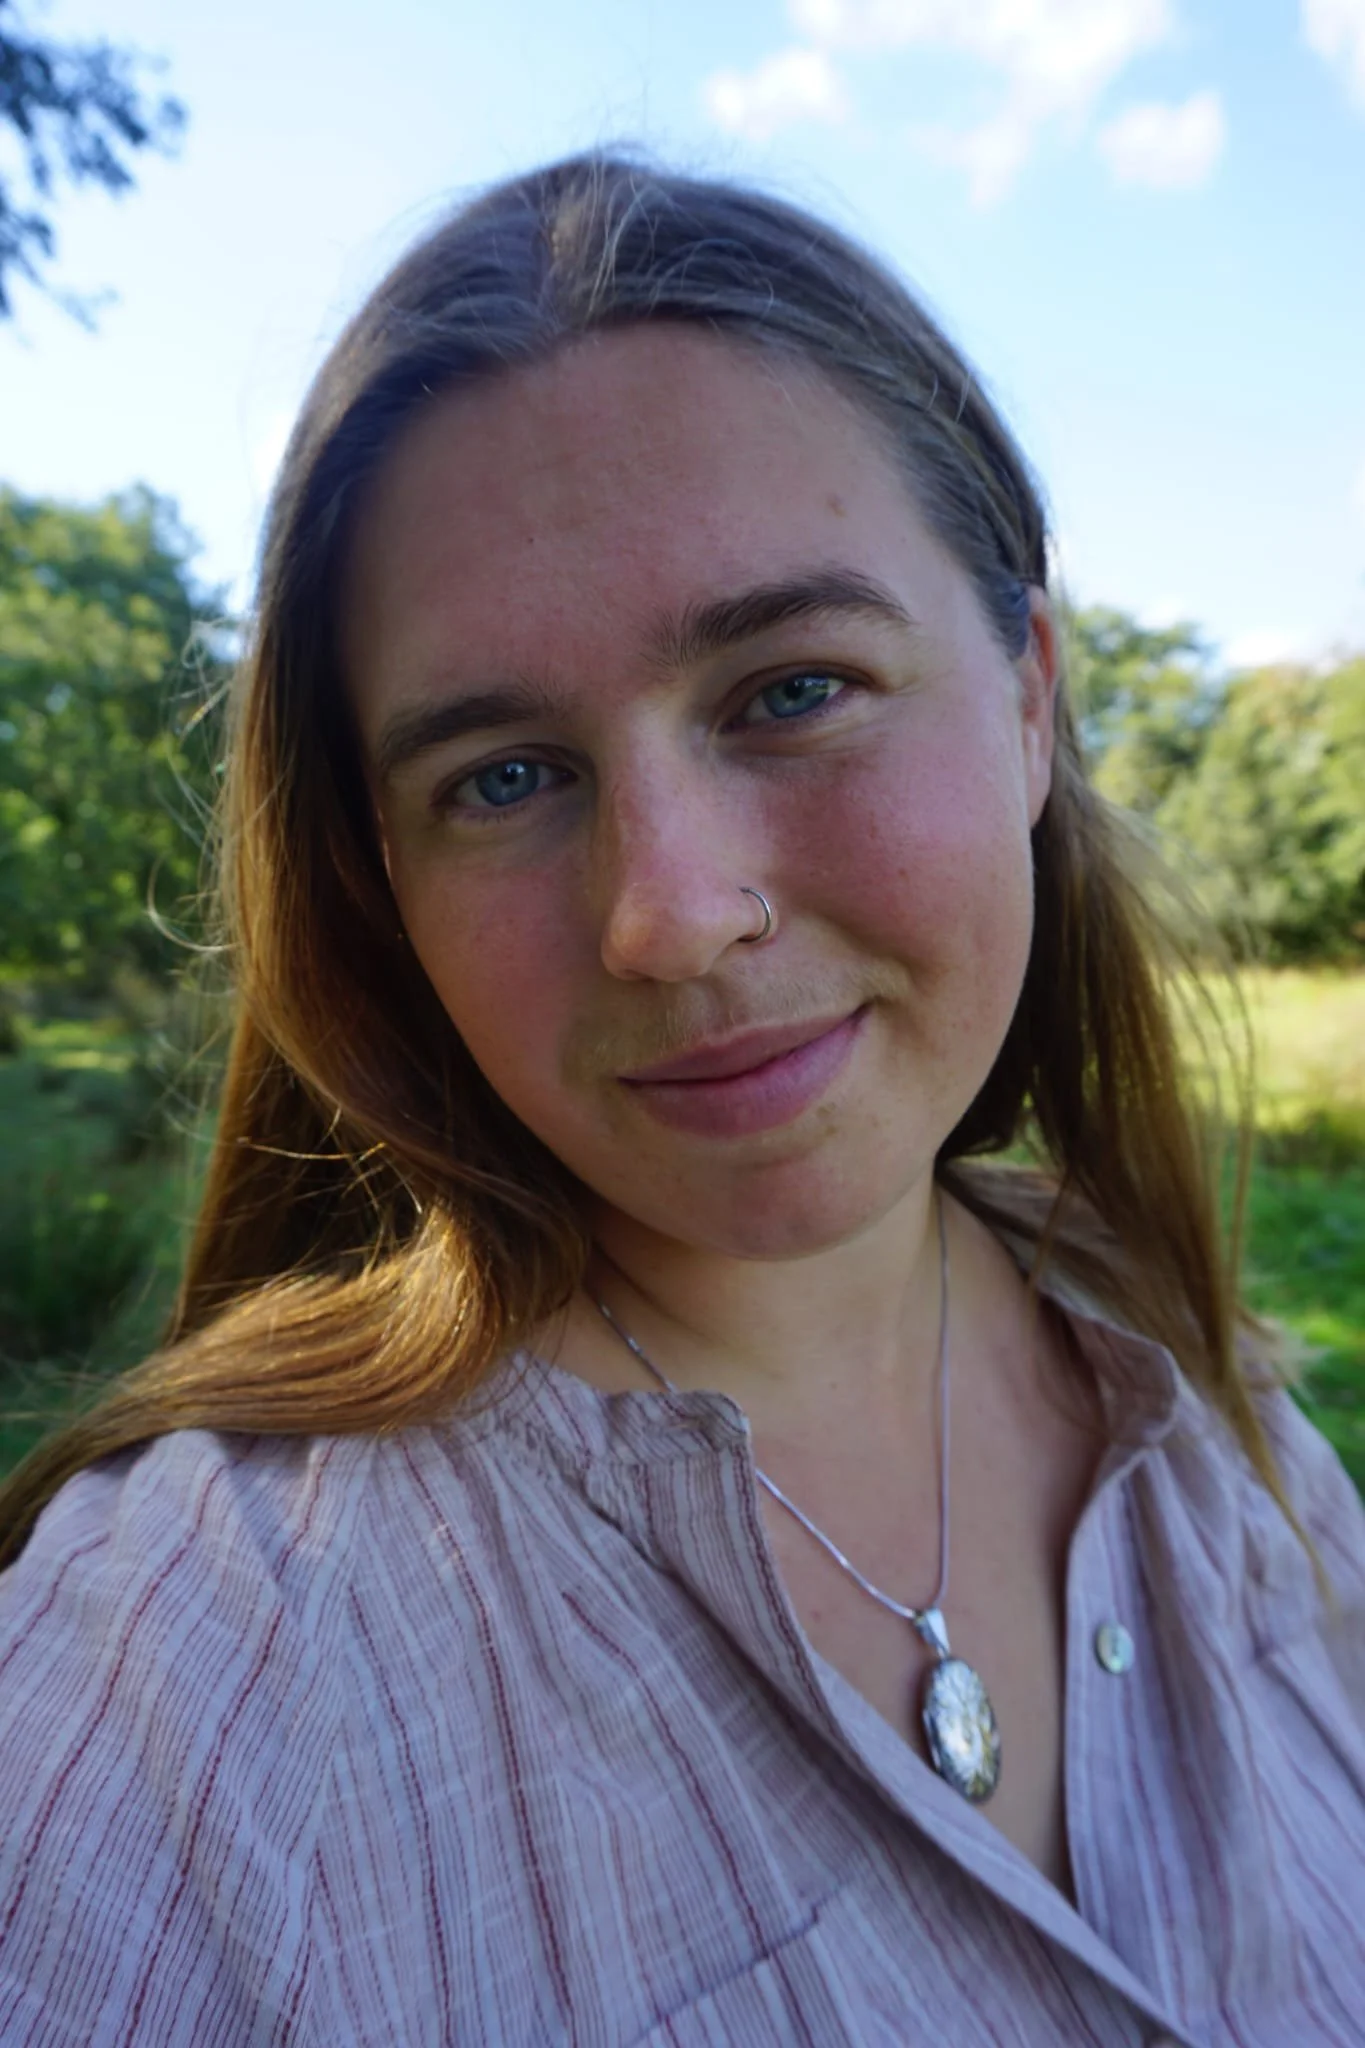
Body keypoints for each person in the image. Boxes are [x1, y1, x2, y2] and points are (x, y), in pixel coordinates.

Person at [0, 153, 1361, 2048]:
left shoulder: (1212, 1407)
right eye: (502, 778)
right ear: (382, 883)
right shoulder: (182, 1688)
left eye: (793, 690)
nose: (667, 913)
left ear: (1029, 698)